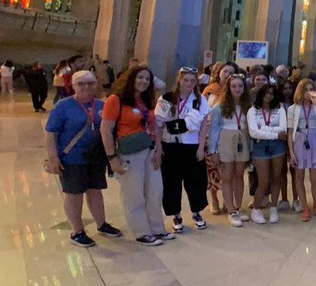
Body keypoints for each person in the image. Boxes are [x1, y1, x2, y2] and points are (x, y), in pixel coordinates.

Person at [43, 69, 123, 247]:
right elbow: (50, 133)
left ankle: (101, 223)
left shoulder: (101, 105)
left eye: (90, 83)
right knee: (74, 194)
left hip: (95, 158)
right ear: (73, 86)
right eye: (81, 83)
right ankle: (77, 230)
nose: (86, 87)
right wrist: (53, 157)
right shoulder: (63, 106)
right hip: (72, 158)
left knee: (95, 191)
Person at [101, 65, 167, 245]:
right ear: (131, 79)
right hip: (130, 151)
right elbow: (106, 130)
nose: (144, 82)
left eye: (147, 79)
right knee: (134, 192)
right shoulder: (116, 100)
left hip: (150, 149)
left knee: (155, 190)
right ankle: (141, 231)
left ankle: (157, 228)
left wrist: (159, 149)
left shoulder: (147, 100)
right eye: (140, 78)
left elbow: (154, 127)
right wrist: (112, 158)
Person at [155, 66, 211, 233]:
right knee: (171, 182)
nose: (189, 83)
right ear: (179, 80)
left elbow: (203, 127)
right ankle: (176, 214)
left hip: (191, 146)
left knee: (196, 181)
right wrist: (158, 147)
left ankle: (196, 212)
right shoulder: (166, 98)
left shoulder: (200, 100)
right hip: (170, 145)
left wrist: (201, 148)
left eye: (192, 80)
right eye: (185, 80)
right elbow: (158, 125)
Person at [208, 73, 252, 227]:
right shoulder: (219, 106)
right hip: (225, 139)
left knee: (239, 175)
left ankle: (238, 208)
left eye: (240, 86)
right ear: (228, 88)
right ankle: (231, 210)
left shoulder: (248, 105)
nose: (237, 89)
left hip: (242, 138)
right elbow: (213, 129)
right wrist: (213, 150)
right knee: (227, 176)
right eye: (234, 86)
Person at [287, 77, 316, 220]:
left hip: (314, 142)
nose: (308, 93)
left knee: (315, 177)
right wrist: (291, 152)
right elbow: (290, 132)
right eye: (305, 89)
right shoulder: (293, 109)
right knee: (299, 176)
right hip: (299, 141)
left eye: (311, 89)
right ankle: (305, 207)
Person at [246, 81, 287, 224]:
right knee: (263, 181)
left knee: (276, 178)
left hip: (277, 147)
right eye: (266, 92)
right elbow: (253, 132)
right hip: (260, 146)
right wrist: (274, 133)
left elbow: (283, 129)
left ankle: (274, 208)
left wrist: (263, 128)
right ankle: (256, 209)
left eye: (271, 93)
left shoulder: (280, 109)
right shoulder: (252, 110)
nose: (268, 96)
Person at [202, 61, 237, 215]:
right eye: (225, 72)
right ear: (219, 73)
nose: (228, 75)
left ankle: (227, 200)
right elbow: (203, 112)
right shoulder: (210, 91)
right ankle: (214, 198)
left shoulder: (236, 91)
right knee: (212, 169)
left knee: (228, 170)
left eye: (231, 72)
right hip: (211, 134)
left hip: (229, 134)